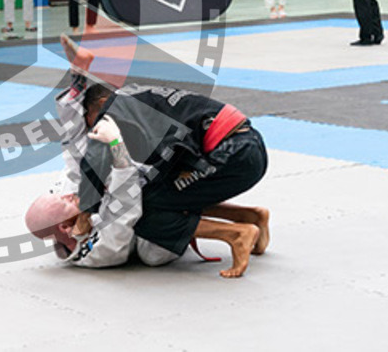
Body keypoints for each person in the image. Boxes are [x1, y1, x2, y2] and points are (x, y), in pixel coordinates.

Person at [26, 36, 270, 277]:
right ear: (64, 226)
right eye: (66, 201)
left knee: (152, 202)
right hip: (240, 144)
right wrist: (79, 77)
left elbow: (77, 145)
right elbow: (81, 146)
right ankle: (248, 216)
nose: (92, 129)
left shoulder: (118, 113)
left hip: (233, 151)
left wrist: (91, 205)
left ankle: (237, 234)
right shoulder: (130, 104)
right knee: (159, 197)